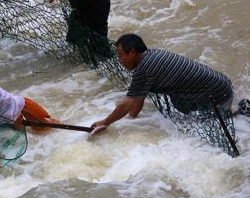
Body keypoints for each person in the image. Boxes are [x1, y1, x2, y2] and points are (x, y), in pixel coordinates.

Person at [91, 33, 234, 133]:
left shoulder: (144, 68)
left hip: (217, 96)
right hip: (222, 87)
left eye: (120, 55)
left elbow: (127, 103)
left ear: (132, 52)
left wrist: (104, 122)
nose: (120, 60)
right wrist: (131, 120)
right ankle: (239, 116)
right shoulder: (152, 56)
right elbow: (138, 99)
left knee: (203, 129)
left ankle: (242, 117)